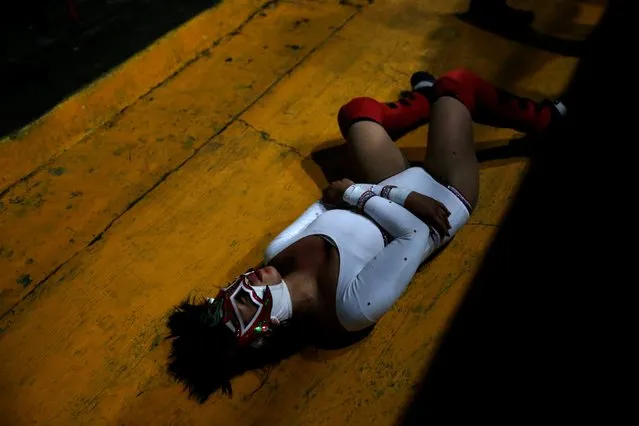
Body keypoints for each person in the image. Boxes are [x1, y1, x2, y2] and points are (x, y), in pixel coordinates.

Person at [167, 68, 566, 400]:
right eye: (239, 303)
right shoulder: (350, 310)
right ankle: (545, 119)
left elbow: (330, 199)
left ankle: (423, 99)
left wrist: (383, 192)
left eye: (224, 292)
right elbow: (413, 235)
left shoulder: (279, 251)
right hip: (444, 196)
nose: (241, 283)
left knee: (356, 113)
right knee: (458, 85)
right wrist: (367, 194)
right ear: (260, 335)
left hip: (395, 190)